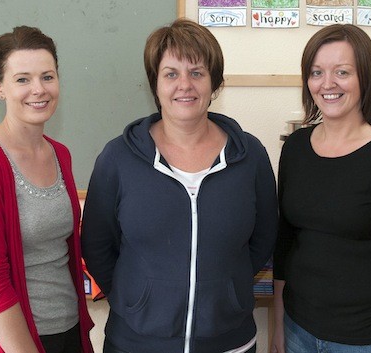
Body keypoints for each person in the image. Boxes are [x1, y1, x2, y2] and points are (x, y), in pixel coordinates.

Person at [81, 18, 278, 353]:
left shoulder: (250, 156)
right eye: (171, 74)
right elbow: (98, 245)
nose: (184, 84)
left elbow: (263, 238)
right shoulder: (118, 158)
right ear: (155, 85)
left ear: (214, 83)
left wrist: (228, 290)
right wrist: (136, 300)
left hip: (229, 342)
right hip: (135, 343)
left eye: (197, 73)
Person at [271, 24, 371, 353]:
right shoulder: (296, 148)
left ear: (366, 78)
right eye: (316, 72)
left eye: (342, 72)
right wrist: (278, 323)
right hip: (299, 330)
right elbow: (285, 244)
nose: (327, 84)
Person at [0, 26, 94, 353]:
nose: (38, 89)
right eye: (22, 79)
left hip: (69, 332)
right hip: (15, 342)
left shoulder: (60, 154)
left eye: (47, 76)